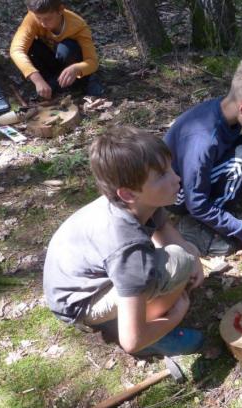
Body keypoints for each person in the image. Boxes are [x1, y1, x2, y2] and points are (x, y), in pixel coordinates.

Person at [43, 126, 205, 356]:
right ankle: (155, 333)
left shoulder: (139, 203)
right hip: (81, 303)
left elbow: (164, 228)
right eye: (162, 176)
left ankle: (141, 309)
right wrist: (174, 314)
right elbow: (131, 341)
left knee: (186, 253)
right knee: (179, 261)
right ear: (128, 193)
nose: (176, 178)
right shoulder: (128, 249)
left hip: (83, 277)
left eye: (170, 168)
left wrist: (195, 258)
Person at [164, 57, 242, 261]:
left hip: (197, 178)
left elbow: (227, 154)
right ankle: (199, 228)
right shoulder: (203, 139)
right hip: (177, 194)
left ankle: (219, 209)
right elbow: (195, 201)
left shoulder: (227, 113)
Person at [10, 0, 103, 100]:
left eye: (48, 19)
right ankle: (50, 83)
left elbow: (92, 62)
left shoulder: (78, 26)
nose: (43, 23)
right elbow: (16, 50)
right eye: (38, 18)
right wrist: (36, 79)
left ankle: (78, 83)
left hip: (71, 66)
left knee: (66, 48)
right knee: (32, 46)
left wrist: (77, 68)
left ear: (60, 10)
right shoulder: (32, 17)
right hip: (51, 65)